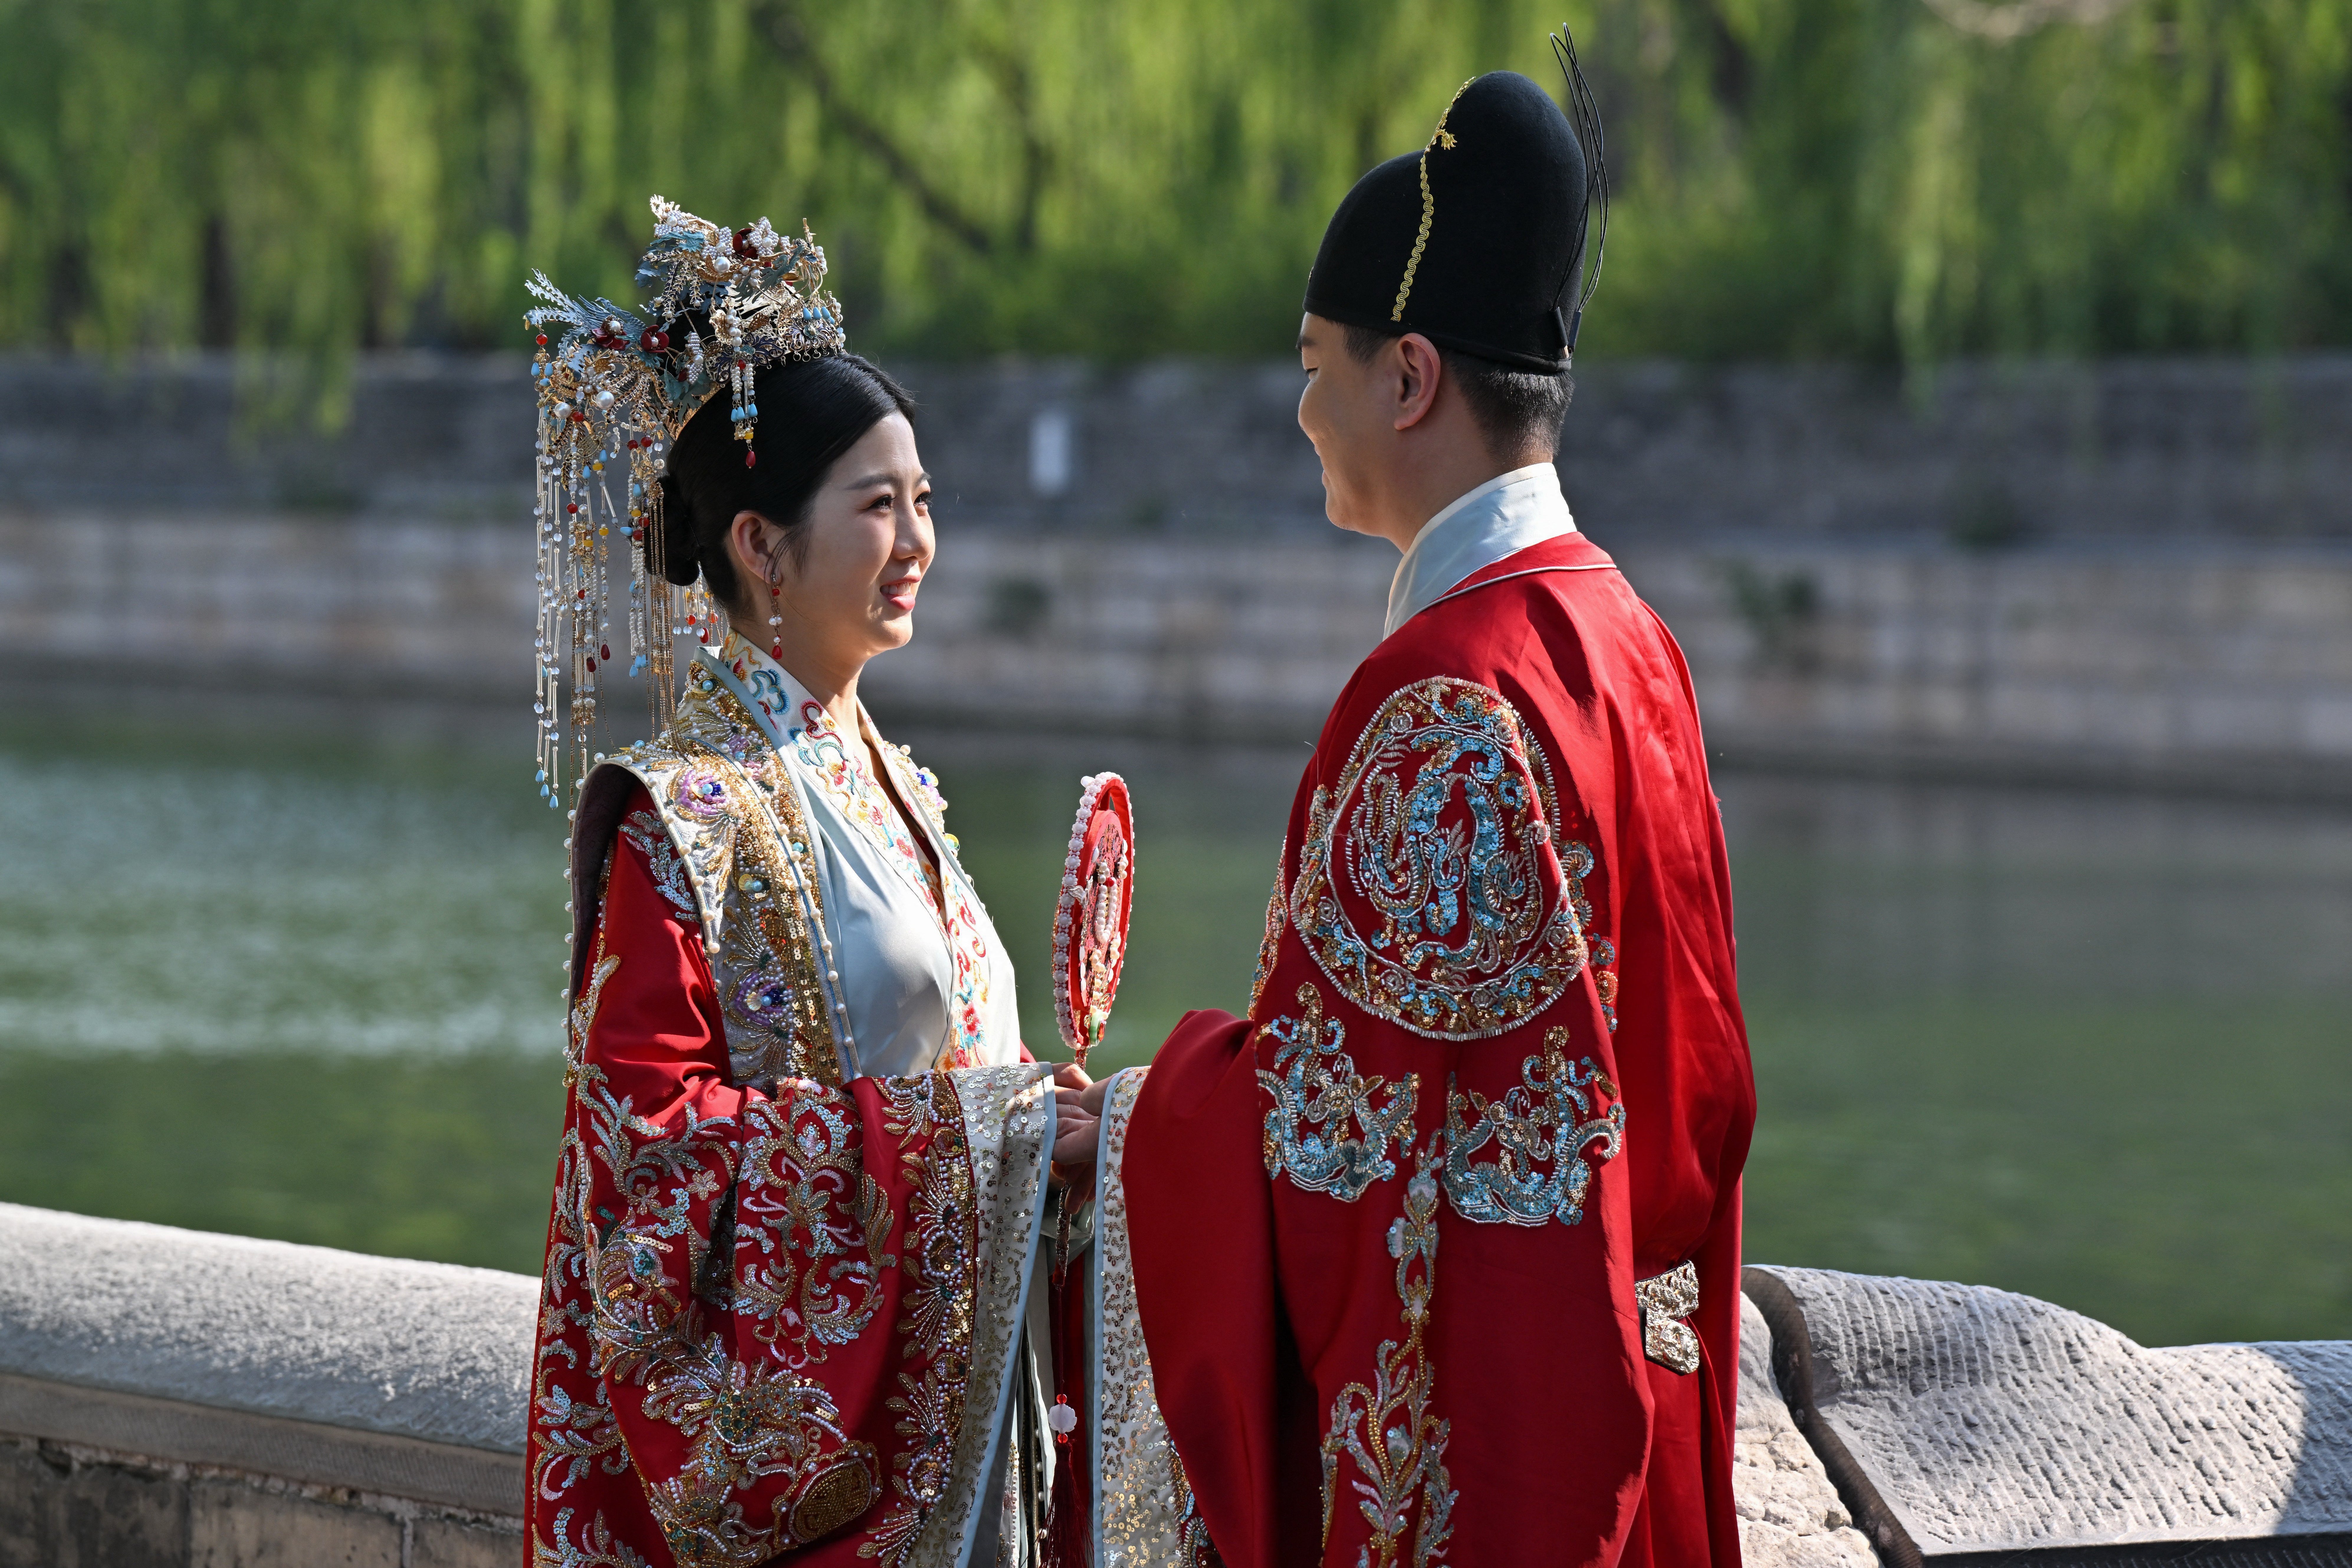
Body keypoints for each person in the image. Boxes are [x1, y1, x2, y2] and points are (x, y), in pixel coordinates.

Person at [1062, 43, 1757, 1568]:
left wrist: (1123, 1122)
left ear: (1409, 374)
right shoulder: (1631, 639)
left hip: (1509, 1467)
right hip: (1634, 1429)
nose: (1303, 404)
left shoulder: (1445, 696)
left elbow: (1340, 1158)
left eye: (1316, 360)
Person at [521, 199, 1097, 1568]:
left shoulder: (884, 774)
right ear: (761, 548)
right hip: (847, 1485)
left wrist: (1049, 1127)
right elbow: (648, 1164)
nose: (917, 543)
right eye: (877, 505)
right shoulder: (690, 818)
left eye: (925, 503)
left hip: (964, 1425)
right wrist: (985, 1135)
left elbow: (953, 1062)